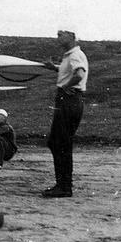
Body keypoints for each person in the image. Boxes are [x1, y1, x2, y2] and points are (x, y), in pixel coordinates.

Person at [40, 29, 88, 198]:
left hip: (68, 99)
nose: (58, 37)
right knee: (58, 142)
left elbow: (79, 74)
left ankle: (64, 186)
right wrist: (55, 68)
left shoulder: (75, 55)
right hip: (71, 100)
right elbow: (72, 70)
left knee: (59, 143)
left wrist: (66, 87)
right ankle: (63, 184)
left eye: (61, 34)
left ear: (72, 36)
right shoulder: (72, 55)